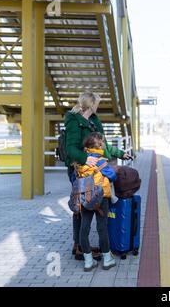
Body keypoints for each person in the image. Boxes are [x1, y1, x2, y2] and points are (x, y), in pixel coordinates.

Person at [64, 93, 132, 263]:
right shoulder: (74, 121)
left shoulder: (94, 120)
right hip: (81, 171)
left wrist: (121, 154)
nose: (98, 106)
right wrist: (85, 158)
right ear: (91, 103)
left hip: (97, 172)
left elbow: (104, 145)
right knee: (81, 207)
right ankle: (79, 246)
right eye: (97, 103)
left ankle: (84, 247)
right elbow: (70, 148)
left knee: (88, 207)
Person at [75, 132, 117, 271]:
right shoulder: (101, 161)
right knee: (102, 228)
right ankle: (107, 259)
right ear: (100, 145)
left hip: (86, 198)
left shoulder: (82, 161)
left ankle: (88, 261)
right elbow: (113, 176)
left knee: (84, 228)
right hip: (101, 198)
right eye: (103, 143)